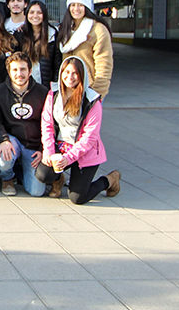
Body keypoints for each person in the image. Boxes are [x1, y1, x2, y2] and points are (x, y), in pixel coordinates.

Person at [35, 57, 121, 203]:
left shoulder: (92, 101)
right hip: (61, 147)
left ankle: (110, 179)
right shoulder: (53, 94)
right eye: (66, 72)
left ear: (82, 75)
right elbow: (47, 124)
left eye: (75, 73)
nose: (70, 77)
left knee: (78, 198)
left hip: (84, 152)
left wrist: (68, 158)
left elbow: (89, 138)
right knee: (43, 175)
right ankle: (58, 178)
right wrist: (49, 152)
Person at [0, 52, 49, 197]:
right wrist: (4, 139)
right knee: (5, 158)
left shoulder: (43, 93)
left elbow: (50, 124)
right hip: (13, 141)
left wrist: (44, 149)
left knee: (36, 191)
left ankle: (20, 171)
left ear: (30, 71)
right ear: (9, 72)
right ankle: (7, 178)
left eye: (23, 69)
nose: (19, 74)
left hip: (33, 146)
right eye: (15, 70)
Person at [57, 0, 113, 97]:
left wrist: (98, 92)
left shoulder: (98, 29)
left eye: (80, 5)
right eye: (73, 5)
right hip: (67, 88)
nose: (76, 9)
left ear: (87, 8)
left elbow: (104, 63)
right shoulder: (64, 29)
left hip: (90, 89)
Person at [16, 0, 61, 88]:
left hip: (46, 87)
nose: (35, 16)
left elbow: (57, 65)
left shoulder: (53, 35)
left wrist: (54, 88)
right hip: (24, 87)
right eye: (31, 12)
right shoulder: (20, 34)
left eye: (39, 12)